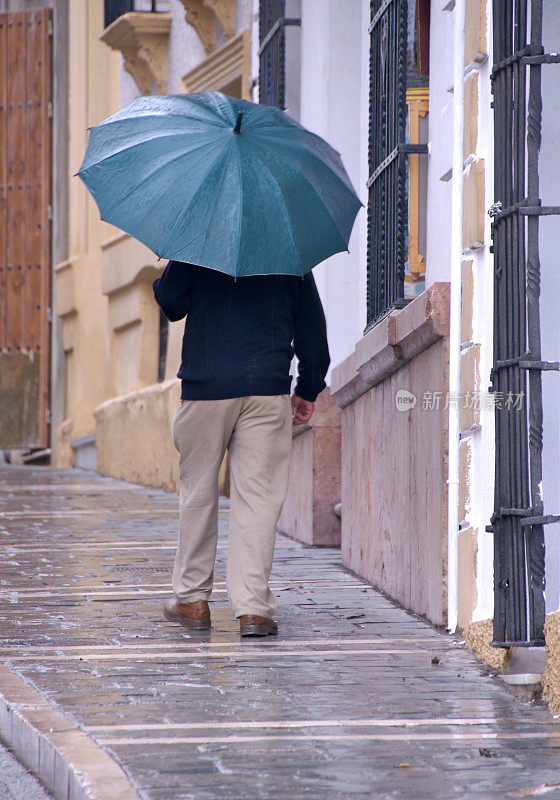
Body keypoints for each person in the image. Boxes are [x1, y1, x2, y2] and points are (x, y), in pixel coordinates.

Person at [153, 260, 330, 636]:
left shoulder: (199, 246)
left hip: (205, 389)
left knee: (198, 495)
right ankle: (253, 610)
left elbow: (170, 302)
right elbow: (313, 331)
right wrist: (309, 387)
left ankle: (193, 600)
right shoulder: (289, 250)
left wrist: (176, 263)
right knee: (258, 500)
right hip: (266, 389)